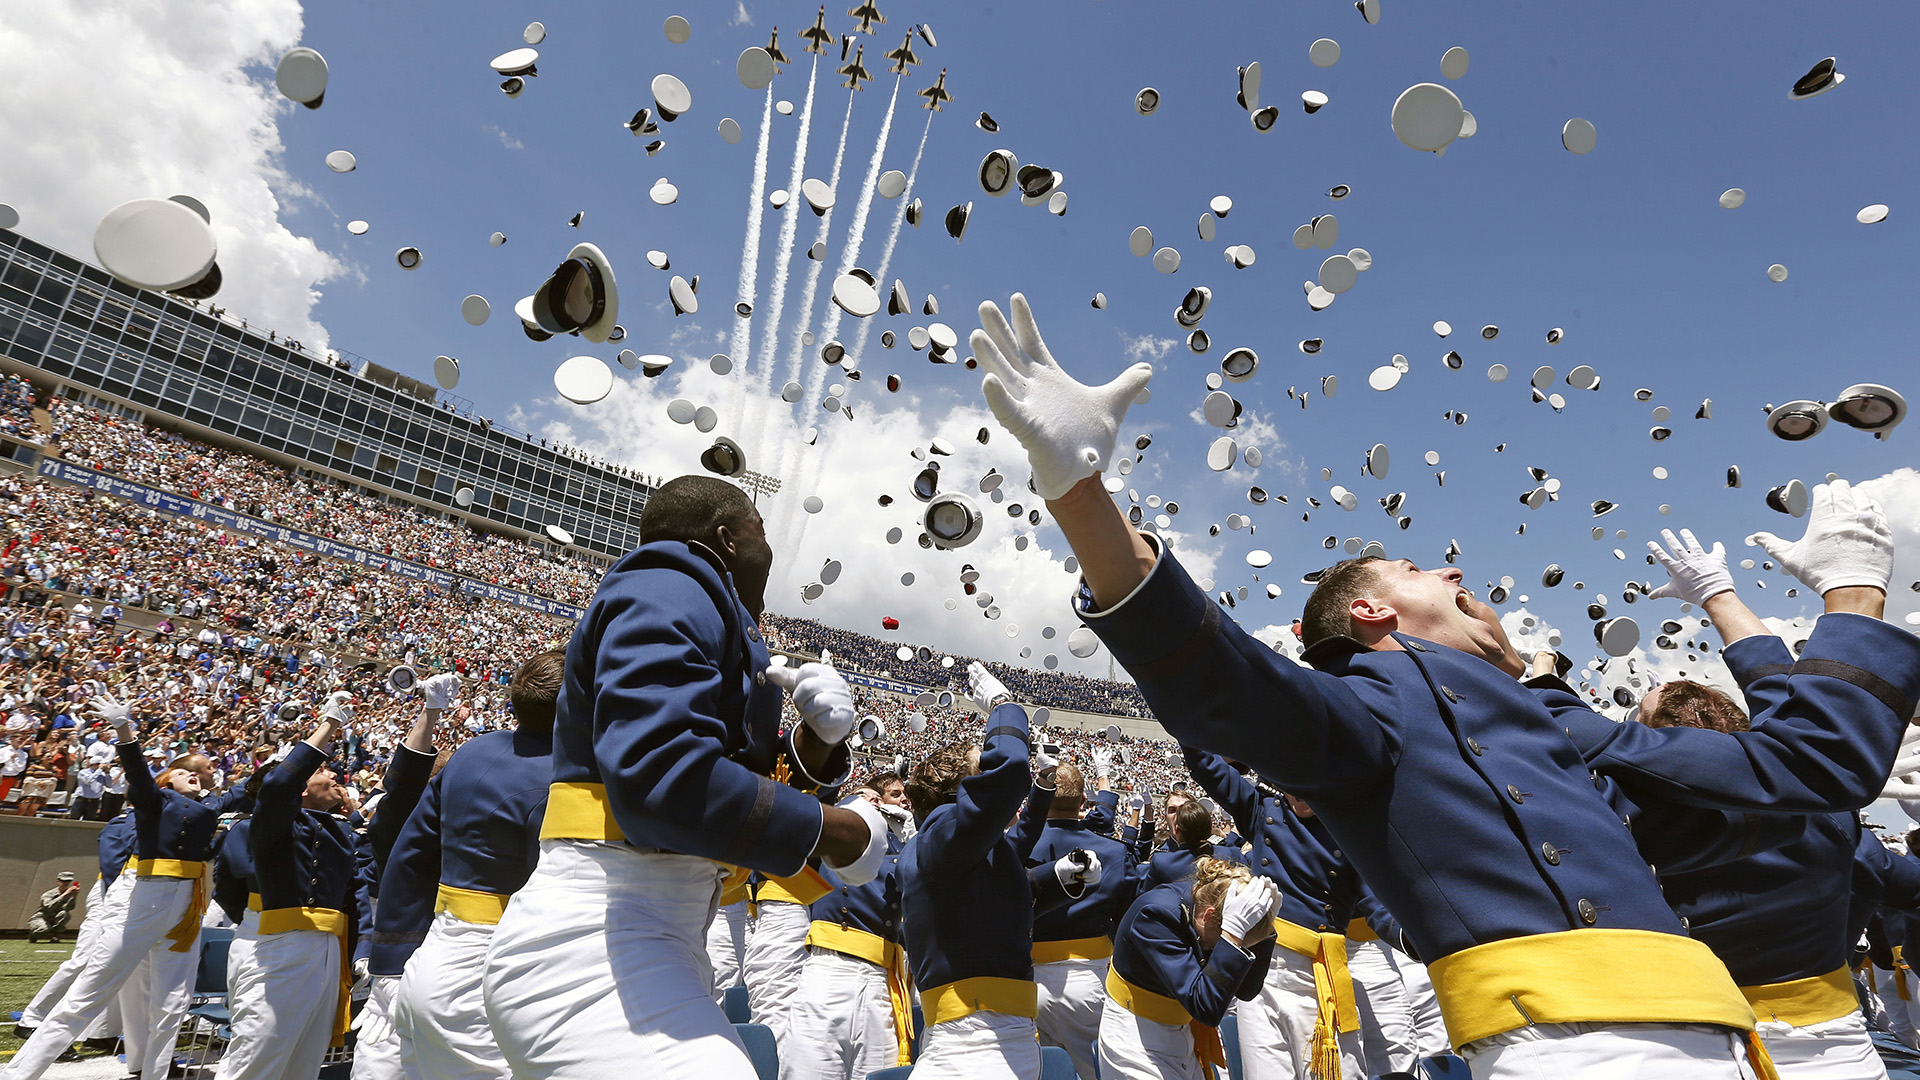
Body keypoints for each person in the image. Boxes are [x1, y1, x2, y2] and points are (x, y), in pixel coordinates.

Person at [969, 292, 1920, 1079]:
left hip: (1722, 1041)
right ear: (1376, 619)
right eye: (1421, 572)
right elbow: (1218, 679)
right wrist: (1081, 494)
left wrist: (1810, 597)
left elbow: (1805, 767)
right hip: (1577, 1051)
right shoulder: (1367, 712)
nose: (1456, 572)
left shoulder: (1551, 721)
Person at [482, 476, 886, 1079]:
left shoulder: (697, 603)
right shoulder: (670, 583)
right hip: (600, 933)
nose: (768, 546)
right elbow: (661, 778)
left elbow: (731, 780)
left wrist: (816, 745)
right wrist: (838, 832)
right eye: (760, 527)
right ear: (726, 536)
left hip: (647, 924)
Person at [2, 695, 250, 1080]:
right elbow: (137, 774)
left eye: (203, 776)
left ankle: (154, 1071)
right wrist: (123, 730)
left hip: (185, 905)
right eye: (188, 774)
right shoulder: (153, 803)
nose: (199, 777)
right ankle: (20, 1072)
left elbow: (255, 787)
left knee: (171, 1001)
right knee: (89, 989)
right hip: (141, 897)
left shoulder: (207, 812)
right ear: (167, 780)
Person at [384, 656, 557, 1080]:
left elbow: (411, 853)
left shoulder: (473, 750)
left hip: (432, 955)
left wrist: (391, 952)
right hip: (495, 973)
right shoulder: (561, 775)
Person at [1182, 747, 1368, 1080]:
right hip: (1257, 970)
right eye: (1289, 779)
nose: (1297, 792)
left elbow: (1376, 903)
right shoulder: (1261, 810)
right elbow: (1206, 765)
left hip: (1315, 975)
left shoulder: (1353, 831)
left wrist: (1411, 939)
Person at [898, 662, 1043, 1080]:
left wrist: (1057, 878)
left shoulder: (951, 846)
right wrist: (1003, 707)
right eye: (980, 769)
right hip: (978, 1041)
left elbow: (989, 897)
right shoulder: (945, 827)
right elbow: (1011, 771)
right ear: (961, 792)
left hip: (983, 1033)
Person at [216, 693, 371, 1080]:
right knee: (256, 1055)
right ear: (300, 787)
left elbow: (355, 898)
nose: (333, 774)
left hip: (327, 950)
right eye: (322, 770)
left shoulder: (339, 831)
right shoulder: (265, 824)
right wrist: (329, 725)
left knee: (304, 1060)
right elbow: (279, 784)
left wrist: (363, 948)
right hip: (274, 942)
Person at [356, 669, 468, 1080]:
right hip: (402, 965)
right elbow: (403, 785)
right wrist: (431, 713)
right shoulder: (406, 822)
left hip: (461, 967)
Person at [1010, 757, 1138, 1080]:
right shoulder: (1114, 853)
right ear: (1083, 802)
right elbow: (1126, 922)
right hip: (1090, 979)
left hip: (1027, 978)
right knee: (1098, 1070)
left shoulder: (1014, 846)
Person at [1099, 858, 1277, 1080]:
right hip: (1134, 1035)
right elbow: (1206, 1008)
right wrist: (1231, 936)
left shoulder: (1205, 906)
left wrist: (1264, 935)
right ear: (1210, 916)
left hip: (1180, 1032)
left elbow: (1246, 991)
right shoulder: (1155, 915)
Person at [780, 779, 909, 1080]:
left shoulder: (907, 846)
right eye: (868, 797)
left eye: (901, 796)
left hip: (881, 983)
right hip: (829, 971)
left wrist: (915, 842)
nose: (877, 803)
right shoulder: (832, 843)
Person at [26, 872, 81, 941]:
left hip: (55, 918)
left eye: (68, 881)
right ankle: (33, 935)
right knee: (44, 929)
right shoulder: (48, 894)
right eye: (63, 881)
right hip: (42, 917)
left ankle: (55, 936)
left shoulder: (69, 894)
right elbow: (49, 906)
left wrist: (74, 896)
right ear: (58, 881)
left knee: (65, 914)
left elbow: (69, 908)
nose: (66, 883)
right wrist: (64, 895)